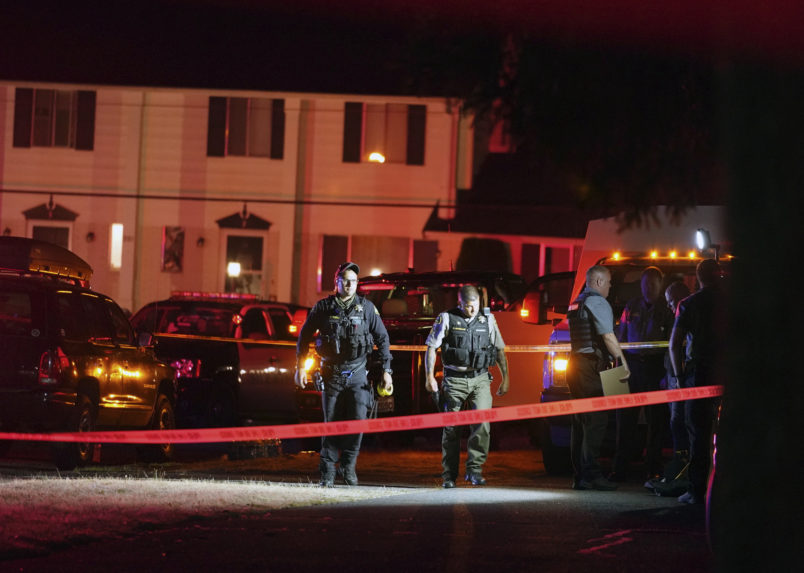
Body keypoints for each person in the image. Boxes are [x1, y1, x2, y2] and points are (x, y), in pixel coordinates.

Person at [294, 261, 393, 487]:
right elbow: (304, 336)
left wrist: (387, 370)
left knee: (358, 423)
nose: (349, 285)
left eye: (353, 281)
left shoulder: (367, 309)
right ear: (336, 282)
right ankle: (327, 473)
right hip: (331, 374)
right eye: (345, 280)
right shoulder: (323, 308)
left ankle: (348, 468)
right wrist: (300, 366)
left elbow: (383, 339)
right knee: (331, 424)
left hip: (358, 374)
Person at [424, 285, 509, 488]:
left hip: (480, 379)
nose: (472, 310)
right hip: (454, 380)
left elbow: (499, 350)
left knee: (482, 424)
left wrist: (506, 378)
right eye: (468, 306)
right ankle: (449, 475)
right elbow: (431, 347)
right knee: (451, 429)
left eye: (476, 306)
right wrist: (429, 377)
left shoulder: (487, 319)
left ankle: (474, 470)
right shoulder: (446, 318)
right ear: (460, 303)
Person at [566, 265, 630, 491]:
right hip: (590, 367)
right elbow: (608, 336)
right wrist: (622, 361)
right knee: (597, 420)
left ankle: (579, 476)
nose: (611, 287)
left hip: (574, 366)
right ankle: (591, 475)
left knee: (580, 422)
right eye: (609, 282)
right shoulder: (598, 302)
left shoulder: (576, 302)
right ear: (599, 282)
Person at [610, 266, 674, 482]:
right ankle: (620, 469)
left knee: (655, 423)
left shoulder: (667, 310)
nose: (648, 288)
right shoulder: (632, 306)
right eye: (645, 283)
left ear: (660, 285)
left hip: (655, 368)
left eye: (653, 284)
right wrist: (618, 367)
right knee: (625, 421)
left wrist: (667, 373)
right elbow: (622, 338)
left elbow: (670, 346)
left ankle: (653, 468)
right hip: (633, 367)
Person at [669, 258, 722, 504]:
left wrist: (679, 378)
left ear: (699, 276)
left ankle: (696, 491)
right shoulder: (733, 304)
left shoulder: (688, 304)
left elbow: (674, 345)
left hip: (697, 374)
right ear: (719, 275)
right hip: (726, 372)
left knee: (697, 434)